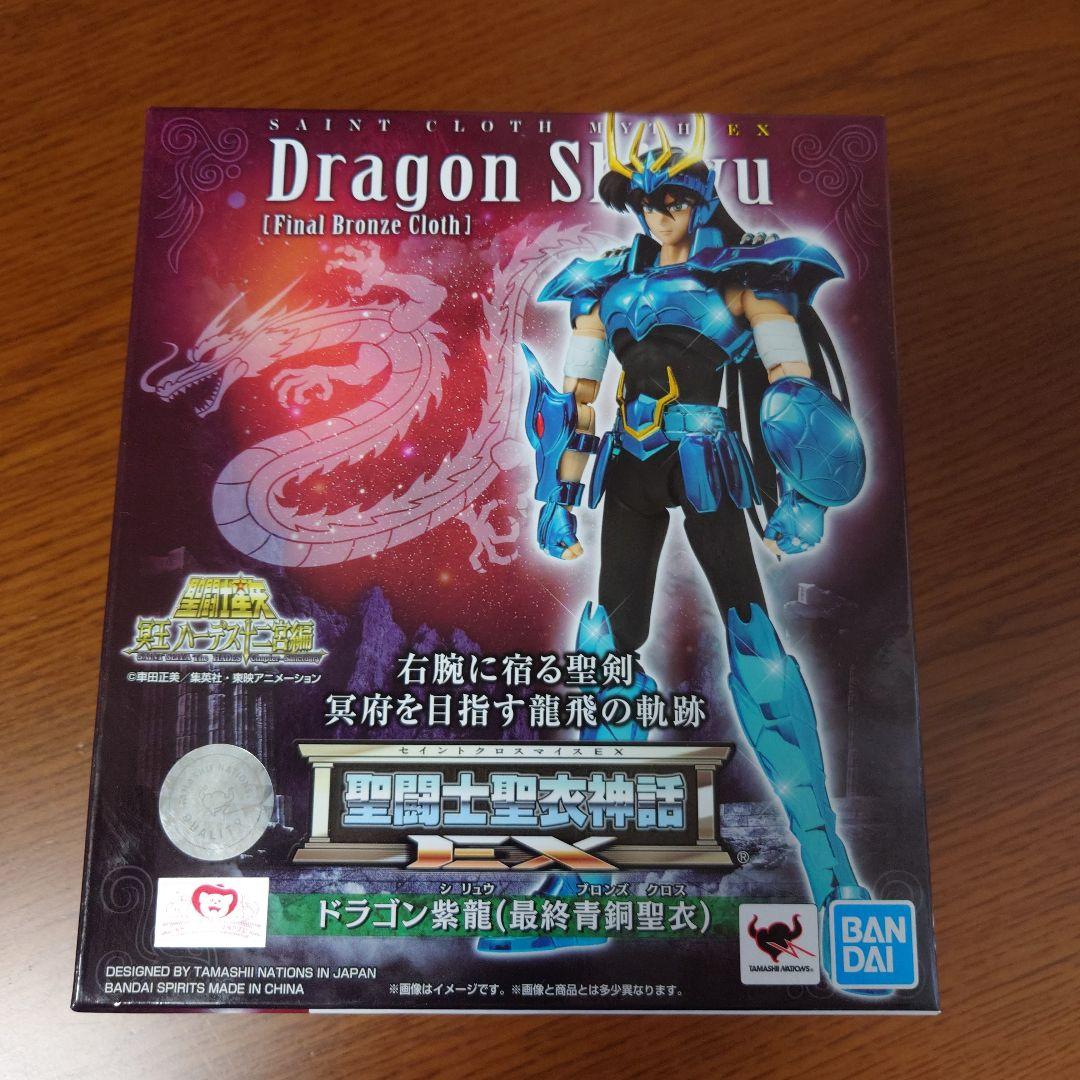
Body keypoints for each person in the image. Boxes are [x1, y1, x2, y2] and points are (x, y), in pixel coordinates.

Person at [485, 115, 871, 977]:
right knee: (604, 654)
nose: (658, 214)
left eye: (672, 200)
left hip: (706, 464)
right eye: (645, 201)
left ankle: (831, 871)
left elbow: (793, 389)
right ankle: (579, 880)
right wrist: (561, 495)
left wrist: (803, 497)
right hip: (630, 472)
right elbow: (578, 402)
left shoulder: (748, 275)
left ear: (699, 200)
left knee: (757, 651)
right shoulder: (604, 284)